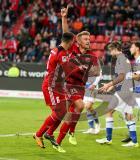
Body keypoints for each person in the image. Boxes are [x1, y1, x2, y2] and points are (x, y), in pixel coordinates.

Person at [53, 6, 100, 152]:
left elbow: (96, 71)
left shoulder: (92, 56)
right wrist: (64, 17)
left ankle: (58, 142)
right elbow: (66, 33)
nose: (88, 41)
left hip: (80, 87)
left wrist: (90, 70)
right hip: (68, 84)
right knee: (79, 107)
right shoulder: (72, 48)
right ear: (78, 42)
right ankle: (70, 132)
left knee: (70, 115)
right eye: (85, 39)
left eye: (89, 39)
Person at [33, 32, 75, 151]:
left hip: (57, 86)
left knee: (62, 112)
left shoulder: (56, 50)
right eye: (73, 41)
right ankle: (39, 134)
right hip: (51, 86)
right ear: (70, 42)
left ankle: (49, 133)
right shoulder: (61, 53)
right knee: (59, 112)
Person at [96, 41, 139, 147]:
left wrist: (108, 84)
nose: (110, 52)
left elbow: (121, 77)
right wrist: (111, 86)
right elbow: (124, 77)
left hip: (123, 91)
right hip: (126, 89)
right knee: (127, 114)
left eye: (110, 50)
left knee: (109, 111)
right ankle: (134, 141)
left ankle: (109, 138)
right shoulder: (123, 58)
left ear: (115, 49)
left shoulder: (120, 59)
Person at [82, 67, 102, 134]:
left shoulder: (95, 63)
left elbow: (99, 74)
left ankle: (97, 123)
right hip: (85, 88)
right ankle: (91, 128)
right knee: (87, 108)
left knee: (88, 106)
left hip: (93, 88)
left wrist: (94, 84)